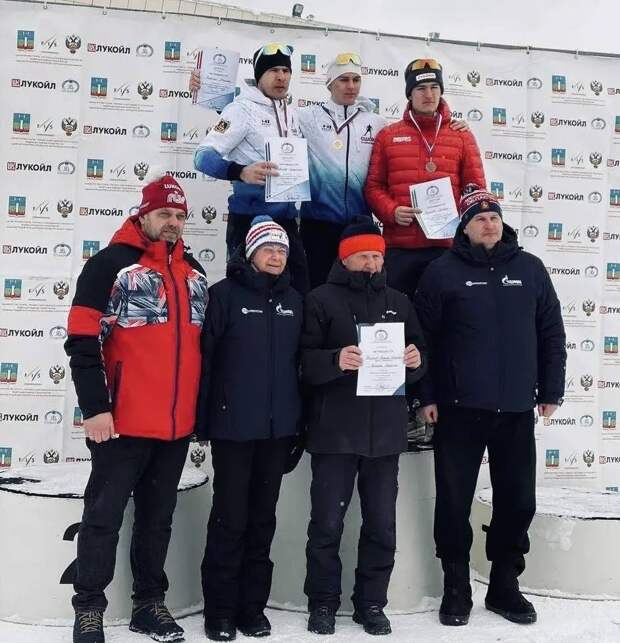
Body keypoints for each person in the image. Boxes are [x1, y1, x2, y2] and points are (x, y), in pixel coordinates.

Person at [64, 171, 208, 643]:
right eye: (164, 213)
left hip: (175, 426)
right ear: (143, 215)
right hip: (121, 423)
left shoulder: (194, 273)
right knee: (102, 518)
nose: (173, 222)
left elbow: (202, 351)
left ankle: (149, 604)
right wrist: (95, 408)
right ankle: (89, 607)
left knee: (156, 520)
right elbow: (82, 341)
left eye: (180, 216)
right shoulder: (109, 266)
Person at [414, 186, 566, 627]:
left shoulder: (530, 269)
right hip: (458, 410)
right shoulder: (441, 272)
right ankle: (456, 587)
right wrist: (427, 395)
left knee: (518, 502)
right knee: (453, 503)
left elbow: (551, 332)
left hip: (516, 409)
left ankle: (504, 585)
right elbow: (422, 340)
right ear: (464, 226)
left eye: (494, 217)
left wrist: (551, 390)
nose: (489, 223)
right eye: (479, 218)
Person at [300, 217, 427, 636]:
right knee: (326, 525)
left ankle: (371, 603)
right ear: (345, 259)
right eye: (363, 256)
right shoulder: (319, 300)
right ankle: (322, 602)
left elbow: (420, 357)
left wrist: (416, 362)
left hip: (385, 436)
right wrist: (334, 360)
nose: (372, 263)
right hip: (334, 433)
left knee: (381, 526)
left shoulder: (399, 302)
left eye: (377, 255)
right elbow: (302, 364)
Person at [196, 216, 303, 641]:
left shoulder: (295, 300)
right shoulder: (223, 295)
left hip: (278, 432)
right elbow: (206, 361)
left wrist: (299, 426)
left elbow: (301, 368)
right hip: (233, 429)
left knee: (263, 520)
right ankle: (220, 611)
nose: (276, 256)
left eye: (281, 250)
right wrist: (203, 420)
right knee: (230, 519)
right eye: (268, 249)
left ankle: (252, 608)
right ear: (251, 253)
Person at [365, 58, 486, 299]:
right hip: (400, 247)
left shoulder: (462, 136)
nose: (428, 94)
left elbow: (475, 191)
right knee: (398, 314)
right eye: (420, 88)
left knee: (445, 317)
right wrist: (392, 211)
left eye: (434, 87)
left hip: (447, 247)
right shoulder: (388, 136)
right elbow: (373, 187)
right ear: (410, 94)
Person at [193, 43, 309, 294]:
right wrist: (241, 172)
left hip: (287, 220)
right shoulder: (240, 109)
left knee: (298, 295)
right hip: (249, 219)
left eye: (285, 71)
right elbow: (202, 157)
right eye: (273, 71)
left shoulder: (292, 113)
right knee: (245, 297)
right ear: (259, 76)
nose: (281, 77)